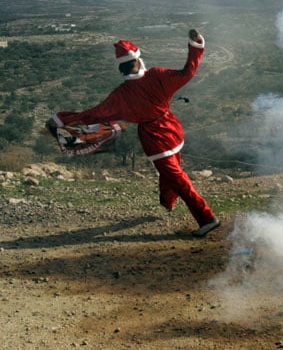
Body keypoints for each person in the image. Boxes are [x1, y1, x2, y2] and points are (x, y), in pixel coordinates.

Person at [47, 29, 220, 237]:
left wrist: (61, 119)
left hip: (154, 139)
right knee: (172, 171)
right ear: (138, 60)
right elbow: (187, 73)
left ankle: (207, 218)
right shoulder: (157, 75)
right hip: (172, 127)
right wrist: (196, 45)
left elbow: (92, 115)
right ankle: (168, 201)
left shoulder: (120, 95)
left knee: (176, 176)